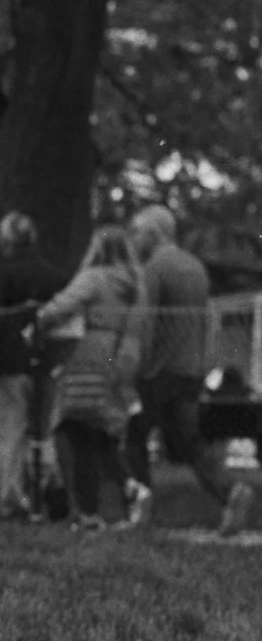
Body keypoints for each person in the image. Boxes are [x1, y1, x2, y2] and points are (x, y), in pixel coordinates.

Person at [124, 206, 252, 537]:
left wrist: (138, 368)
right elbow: (207, 320)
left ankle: (142, 507)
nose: (134, 239)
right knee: (188, 445)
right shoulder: (195, 267)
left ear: (153, 233)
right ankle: (229, 493)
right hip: (191, 371)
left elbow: (146, 323)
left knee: (134, 436)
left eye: (137, 232)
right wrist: (204, 363)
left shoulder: (154, 268)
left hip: (159, 371)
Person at [38, 223, 144, 530]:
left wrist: (38, 321)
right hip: (121, 354)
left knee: (73, 428)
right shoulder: (135, 283)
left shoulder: (95, 277)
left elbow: (63, 306)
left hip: (92, 353)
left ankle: (98, 505)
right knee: (99, 432)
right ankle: (106, 503)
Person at [0, 212, 69, 518]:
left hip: (9, 366)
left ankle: (13, 499)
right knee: (46, 431)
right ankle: (51, 485)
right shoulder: (55, 277)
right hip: (48, 366)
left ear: (6, 240)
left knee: (9, 433)